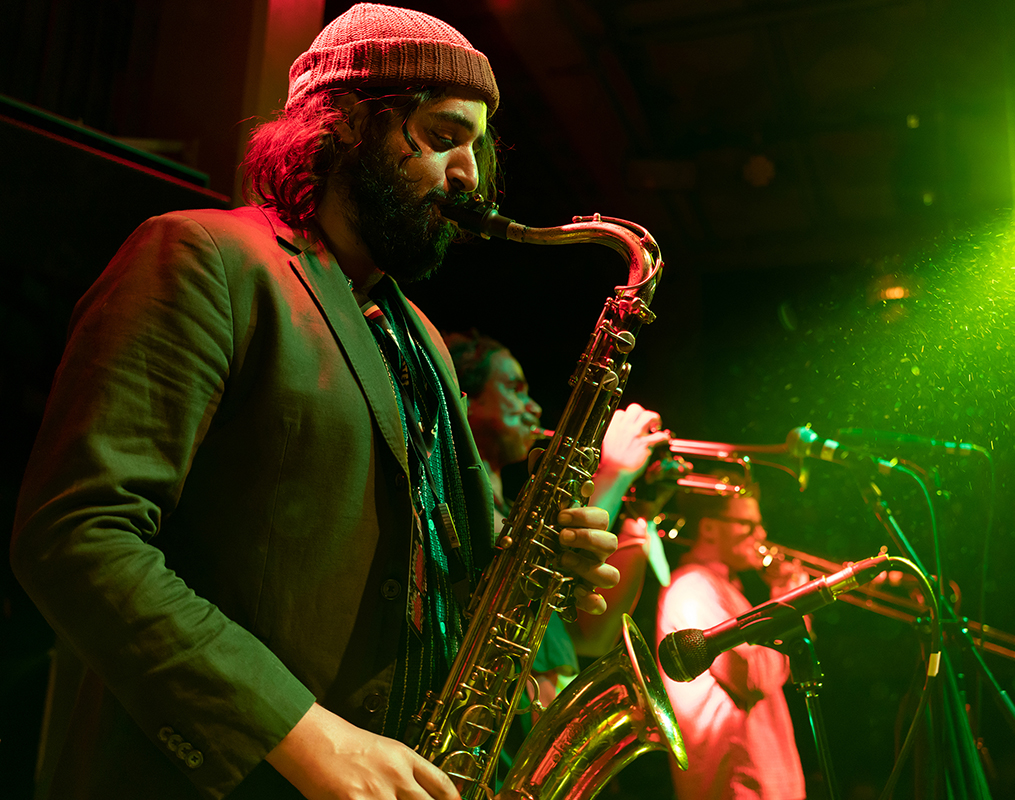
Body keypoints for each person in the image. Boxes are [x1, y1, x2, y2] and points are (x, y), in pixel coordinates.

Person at [9, 6, 621, 800]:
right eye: (443, 136)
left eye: (479, 146)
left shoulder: (423, 340)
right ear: (346, 127)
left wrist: (531, 562)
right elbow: (77, 536)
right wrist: (297, 730)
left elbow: (424, 576)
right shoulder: (205, 257)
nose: (470, 174)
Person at [444, 329, 670, 710]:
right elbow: (525, 575)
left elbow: (594, 638)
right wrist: (612, 474)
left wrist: (640, 516)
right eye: (514, 389)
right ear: (465, 399)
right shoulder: (458, 507)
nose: (533, 406)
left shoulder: (515, 511)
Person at [657, 487, 807, 800]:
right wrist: (788, 607)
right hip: (739, 787)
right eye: (748, 524)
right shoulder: (693, 586)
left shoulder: (724, 589)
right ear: (709, 527)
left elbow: (781, 671)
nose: (761, 533)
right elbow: (753, 677)